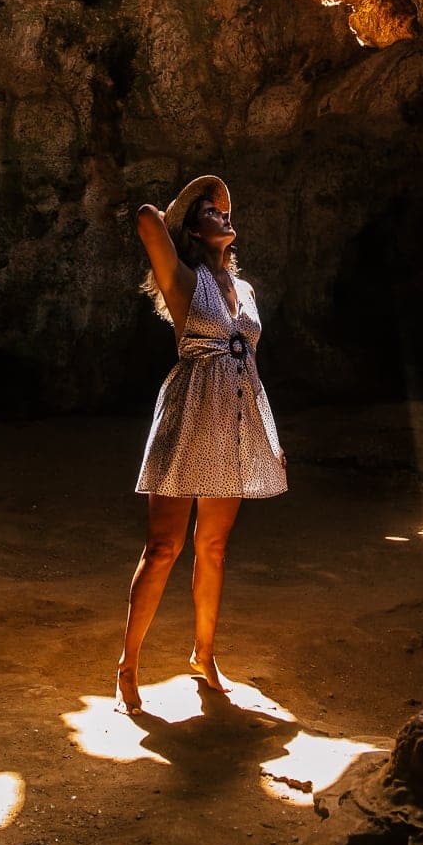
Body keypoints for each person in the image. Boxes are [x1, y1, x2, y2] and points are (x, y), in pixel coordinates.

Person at [116, 174, 287, 714]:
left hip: (235, 423)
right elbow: (146, 218)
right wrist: (181, 212)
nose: (224, 214)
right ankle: (127, 665)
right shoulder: (183, 279)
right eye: (212, 211)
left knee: (212, 548)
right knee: (164, 547)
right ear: (192, 227)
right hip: (189, 417)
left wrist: (268, 437)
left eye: (225, 209)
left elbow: (250, 365)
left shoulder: (247, 291)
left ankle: (203, 654)